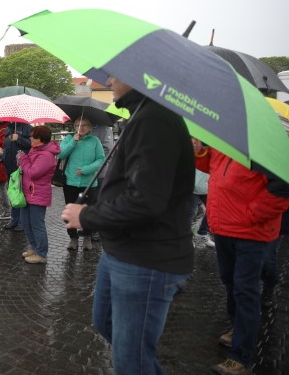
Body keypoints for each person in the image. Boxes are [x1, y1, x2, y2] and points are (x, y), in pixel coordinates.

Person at [61, 76, 195, 375]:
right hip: (121, 250)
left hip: (147, 259)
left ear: (138, 74)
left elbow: (146, 200)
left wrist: (87, 217)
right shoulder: (141, 116)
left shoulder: (154, 120)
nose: (109, 79)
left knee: (131, 360)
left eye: (115, 73)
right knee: (105, 323)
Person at [195, 144, 289, 375]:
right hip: (224, 228)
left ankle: (241, 356)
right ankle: (238, 328)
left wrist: (253, 213)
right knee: (229, 282)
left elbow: (282, 188)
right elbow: (212, 166)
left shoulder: (264, 148)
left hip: (250, 233)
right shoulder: (225, 143)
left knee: (245, 290)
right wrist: (199, 151)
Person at [57, 117, 105, 250]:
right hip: (70, 182)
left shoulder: (95, 141)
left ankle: (87, 236)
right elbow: (60, 154)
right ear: (74, 126)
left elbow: (101, 159)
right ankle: (73, 238)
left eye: (84, 125)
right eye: (78, 125)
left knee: (88, 211)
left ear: (90, 128)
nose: (81, 127)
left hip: (89, 183)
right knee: (70, 210)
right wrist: (73, 141)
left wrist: (86, 169)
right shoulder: (69, 138)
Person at [17, 125, 60, 264]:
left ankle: (41, 254)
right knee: (26, 222)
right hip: (28, 192)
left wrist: (23, 158)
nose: (29, 137)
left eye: (32, 135)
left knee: (37, 225)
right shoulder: (35, 149)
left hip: (38, 194)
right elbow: (28, 168)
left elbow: (33, 173)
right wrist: (22, 160)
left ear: (39, 138)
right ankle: (35, 247)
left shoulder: (46, 155)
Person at [2, 122, 32, 231]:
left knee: (21, 195)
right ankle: (14, 219)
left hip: (21, 167)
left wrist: (18, 138)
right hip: (9, 167)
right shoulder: (9, 127)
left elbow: (31, 144)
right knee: (13, 194)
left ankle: (22, 222)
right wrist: (3, 156)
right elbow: (7, 145)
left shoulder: (28, 128)